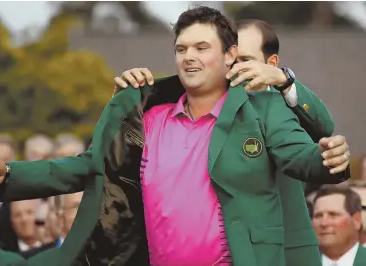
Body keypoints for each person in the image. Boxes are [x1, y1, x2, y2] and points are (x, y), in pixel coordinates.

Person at [0, 6, 351, 266]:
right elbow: (92, 165)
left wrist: (327, 159)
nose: (189, 57)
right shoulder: (147, 114)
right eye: (181, 48)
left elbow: (301, 156)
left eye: (202, 47)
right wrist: (11, 174)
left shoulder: (262, 106)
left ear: (230, 55)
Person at [112, 18, 343, 266]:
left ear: (271, 64)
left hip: (287, 249)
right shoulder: (198, 112)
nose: (234, 69)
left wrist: (284, 81)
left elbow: (323, 128)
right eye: (231, 60)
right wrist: (124, 101)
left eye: (244, 60)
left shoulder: (280, 104)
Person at [312, 185, 366, 266]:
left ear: (356, 220)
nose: (324, 223)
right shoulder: (296, 262)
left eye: (333, 215)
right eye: (318, 216)